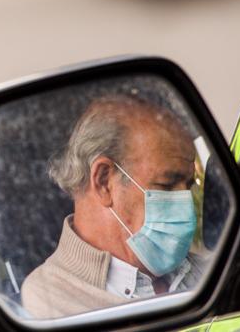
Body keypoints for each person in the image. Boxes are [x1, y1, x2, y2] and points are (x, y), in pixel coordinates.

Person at [21, 95, 200, 318]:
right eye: (166, 185)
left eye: (189, 186)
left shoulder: (211, 270)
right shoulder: (46, 303)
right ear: (104, 181)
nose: (186, 203)